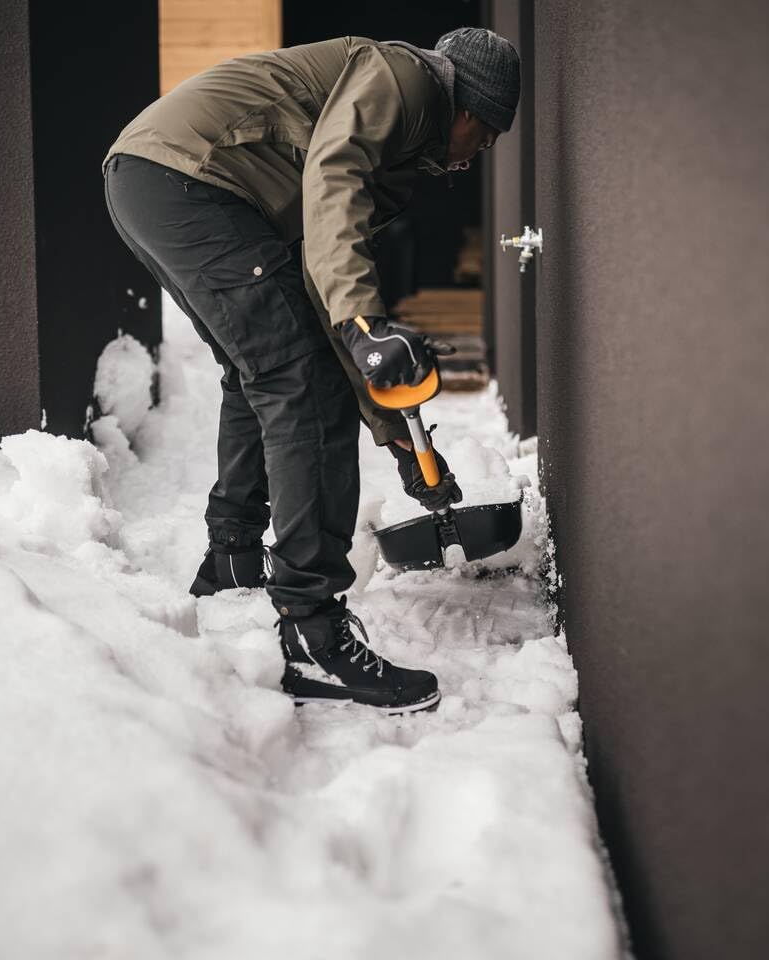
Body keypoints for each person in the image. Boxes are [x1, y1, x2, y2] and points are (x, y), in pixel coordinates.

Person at [102, 29, 520, 714]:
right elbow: (333, 176)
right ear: (468, 109)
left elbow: (327, 290)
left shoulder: (400, 149)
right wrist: (362, 323)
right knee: (302, 388)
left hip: (158, 179)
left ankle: (234, 558)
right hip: (192, 181)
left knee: (263, 371)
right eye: (489, 135)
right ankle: (311, 632)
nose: (481, 155)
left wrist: (399, 438)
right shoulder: (406, 80)